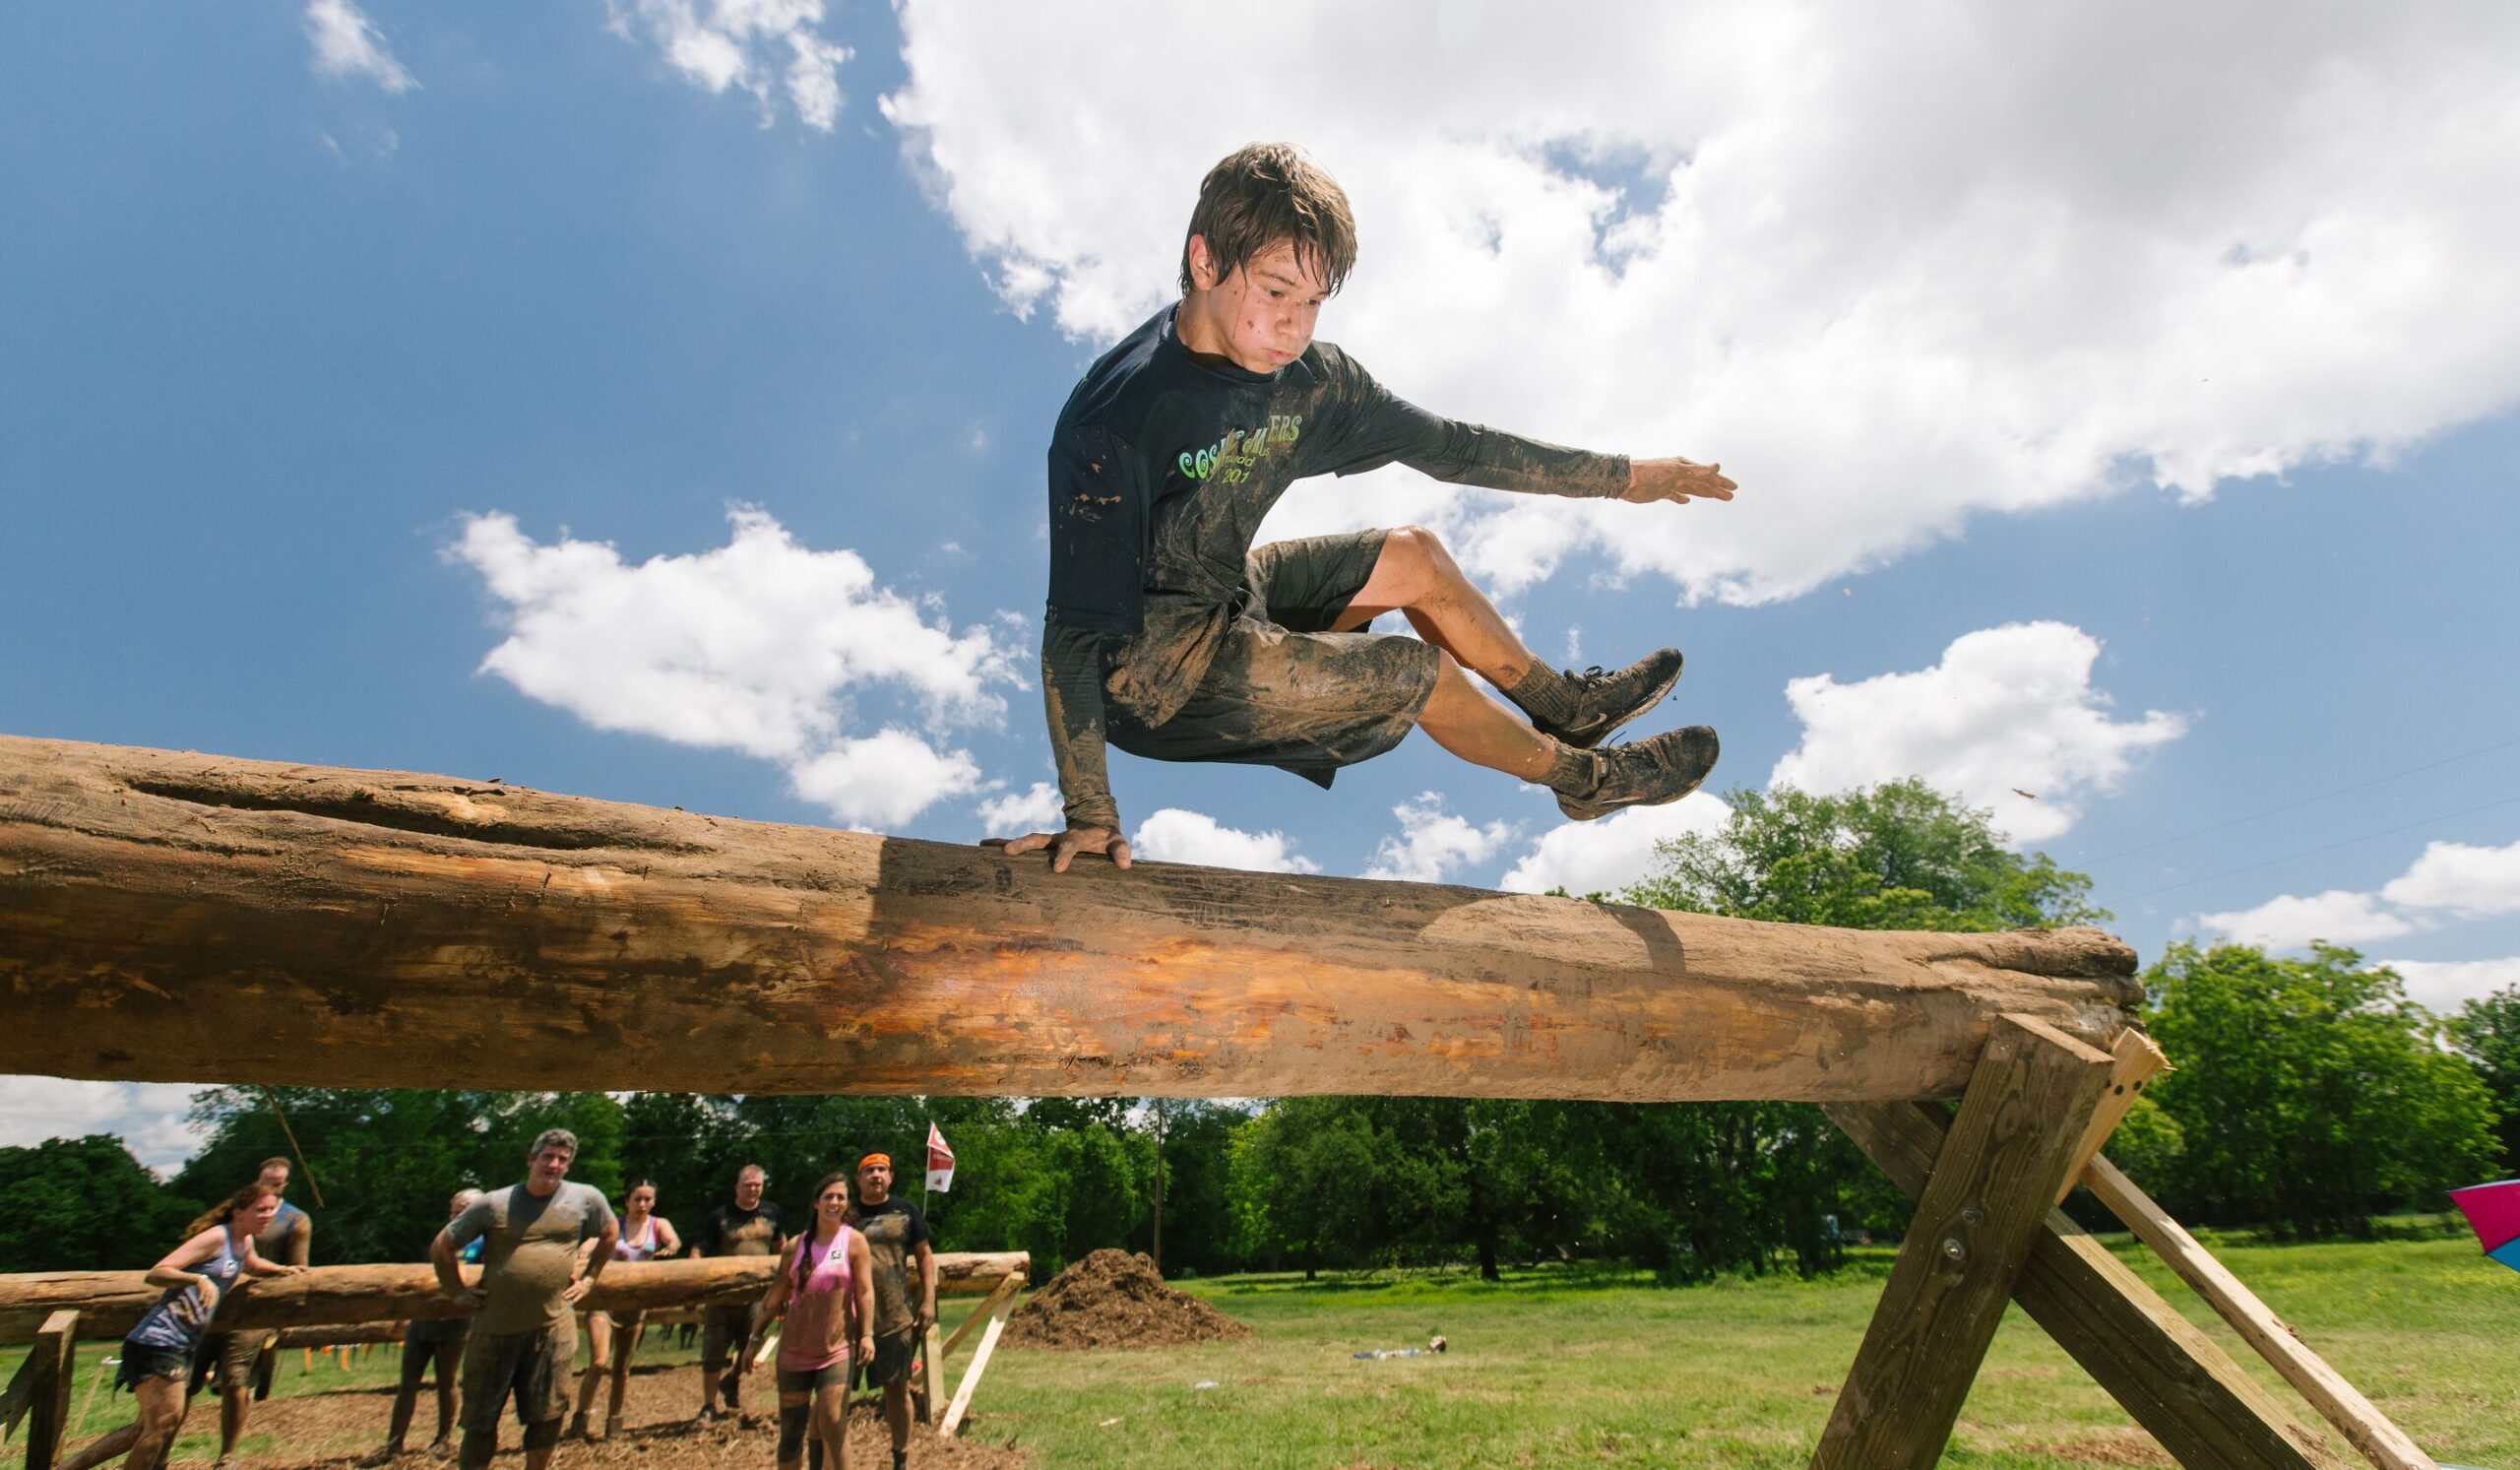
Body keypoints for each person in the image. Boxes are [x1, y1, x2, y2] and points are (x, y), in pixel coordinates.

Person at [993, 143, 1733, 876]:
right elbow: (1072, 637)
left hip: (1224, 595)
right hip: (1151, 681)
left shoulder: (1313, 383)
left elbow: (1456, 447)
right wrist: (1091, 812)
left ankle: (1567, 706)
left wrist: (1622, 475)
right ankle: (1588, 781)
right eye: (1276, 292)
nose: (1294, 327)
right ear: (1205, 262)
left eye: (1313, 303)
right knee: (1420, 672)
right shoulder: (1117, 416)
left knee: (1415, 555)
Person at [58, 1184, 304, 1470]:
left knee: (145, 1428)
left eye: (271, 1210)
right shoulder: (215, 1237)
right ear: (239, 1212)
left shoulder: (243, 1241)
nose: (268, 1216)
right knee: (164, 1423)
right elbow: (157, 1272)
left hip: (181, 1343)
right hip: (158, 1340)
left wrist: (282, 1270)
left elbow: (251, 1264)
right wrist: (196, 1280)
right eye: (260, 1209)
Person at [432, 1129, 617, 1470]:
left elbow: (610, 1232)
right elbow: (442, 1245)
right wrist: (457, 1292)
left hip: (552, 1329)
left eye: (563, 1159)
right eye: (547, 1156)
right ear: (531, 1159)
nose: (554, 1164)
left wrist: (589, 1278)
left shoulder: (585, 1198)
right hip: (495, 1330)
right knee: (479, 1422)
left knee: (547, 1416)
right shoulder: (493, 1203)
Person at [752, 1172, 874, 1470]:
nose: (834, 1202)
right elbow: (775, 1295)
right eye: (828, 1197)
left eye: (840, 1198)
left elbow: (866, 1291)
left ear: (847, 1204)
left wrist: (868, 1334)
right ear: (816, 1203)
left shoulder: (855, 1242)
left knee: (833, 1421)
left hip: (836, 1349)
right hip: (794, 1352)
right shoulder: (795, 1247)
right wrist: (754, 1337)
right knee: (791, 1434)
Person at [203, 1157, 313, 1464]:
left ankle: (227, 1455)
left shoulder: (296, 1219)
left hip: (258, 1310)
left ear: (285, 1184)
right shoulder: (237, 1210)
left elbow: (298, 1268)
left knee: (235, 1380)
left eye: (276, 1183)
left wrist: (286, 1315)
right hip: (215, 1304)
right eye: (266, 1181)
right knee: (188, 1379)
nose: (270, 1188)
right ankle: (160, 1452)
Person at [369, 1188, 483, 1463]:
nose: (455, 1216)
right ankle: (394, 1443)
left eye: (462, 1210)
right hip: (422, 1320)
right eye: (453, 1210)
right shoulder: (443, 1238)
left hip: (456, 1323)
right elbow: (424, 1277)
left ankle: (444, 1440)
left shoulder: (485, 1243)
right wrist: (406, 1313)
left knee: (446, 1381)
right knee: (407, 1382)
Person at [567, 1179, 680, 1440]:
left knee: (622, 1368)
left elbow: (674, 1241)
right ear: (627, 1201)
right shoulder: (613, 1225)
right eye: (637, 1199)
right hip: (605, 1303)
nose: (642, 1204)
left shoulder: (658, 1225)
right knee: (599, 1362)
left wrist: (669, 1248)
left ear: (653, 1201)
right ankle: (580, 1418)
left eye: (647, 1199)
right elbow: (591, 1244)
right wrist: (581, 1256)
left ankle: (614, 1423)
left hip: (636, 1305)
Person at [846, 1153, 932, 1470]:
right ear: (859, 1179)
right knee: (835, 1392)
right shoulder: (845, 1213)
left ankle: (901, 1457)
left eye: (882, 1170)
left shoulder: (906, 1210)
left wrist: (927, 1301)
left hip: (895, 1316)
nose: (876, 1176)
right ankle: (828, 1457)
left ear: (891, 1177)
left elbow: (924, 1257)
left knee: (897, 1389)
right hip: (848, 1320)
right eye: (869, 1171)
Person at [687, 1163, 784, 1423]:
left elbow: (781, 1245)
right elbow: (698, 1248)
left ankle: (731, 1380)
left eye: (757, 1185)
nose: (752, 1189)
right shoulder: (721, 1216)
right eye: (748, 1185)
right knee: (713, 1352)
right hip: (722, 1295)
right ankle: (708, 1405)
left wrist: (785, 1276)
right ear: (737, 1187)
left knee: (755, 1344)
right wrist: (695, 1281)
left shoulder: (772, 1213)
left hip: (756, 1296)